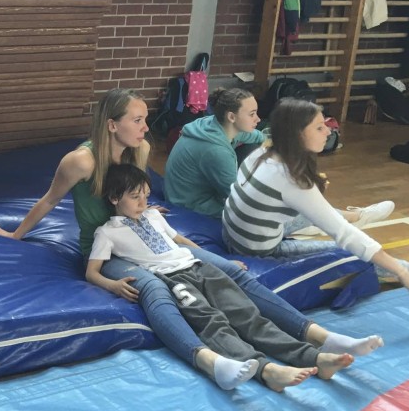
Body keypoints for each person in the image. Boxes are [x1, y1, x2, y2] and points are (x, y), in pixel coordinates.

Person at [0, 88, 381, 386]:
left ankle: (320, 337)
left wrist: (146, 209)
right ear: (112, 125)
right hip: (110, 248)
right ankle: (214, 358)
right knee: (154, 288)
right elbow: (50, 199)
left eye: (144, 119)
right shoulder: (81, 161)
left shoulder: (140, 149)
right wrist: (15, 234)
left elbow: (138, 191)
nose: (146, 127)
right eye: (137, 120)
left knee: (231, 271)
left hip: (146, 235)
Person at [90, 164, 358, 391]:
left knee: (247, 314)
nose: (143, 203)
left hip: (198, 267)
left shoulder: (153, 216)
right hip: (173, 280)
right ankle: (266, 370)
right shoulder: (107, 232)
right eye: (135, 197)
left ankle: (313, 357)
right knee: (213, 323)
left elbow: (181, 241)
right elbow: (92, 271)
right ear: (114, 198)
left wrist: (215, 260)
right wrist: (113, 284)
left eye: (146, 196)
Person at [223, 97, 409, 309]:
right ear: (297, 134)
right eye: (320, 128)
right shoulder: (292, 180)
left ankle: (356, 216)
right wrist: (401, 272)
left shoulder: (262, 152)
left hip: (236, 233)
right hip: (257, 249)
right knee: (350, 253)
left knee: (319, 211)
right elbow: (345, 235)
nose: (329, 132)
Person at [165, 88, 393, 231]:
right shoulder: (215, 151)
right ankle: (354, 217)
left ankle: (337, 216)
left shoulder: (213, 126)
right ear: (232, 116)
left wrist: (287, 144)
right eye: (252, 114)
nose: (258, 118)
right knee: (290, 205)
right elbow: (239, 199)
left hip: (191, 195)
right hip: (193, 207)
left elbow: (257, 137)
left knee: (282, 190)